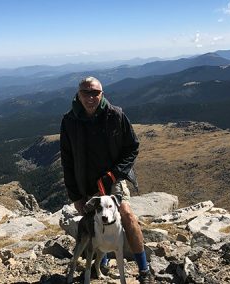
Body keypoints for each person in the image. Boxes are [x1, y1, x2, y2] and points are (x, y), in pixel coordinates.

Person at [60, 76, 155, 283]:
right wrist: (75, 196)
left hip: (113, 180)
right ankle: (99, 264)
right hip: (87, 184)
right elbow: (67, 161)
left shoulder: (115, 115)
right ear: (78, 95)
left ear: (102, 94)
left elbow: (132, 147)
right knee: (96, 221)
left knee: (127, 215)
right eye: (86, 92)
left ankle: (144, 269)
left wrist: (115, 173)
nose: (91, 97)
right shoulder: (69, 121)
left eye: (95, 92)